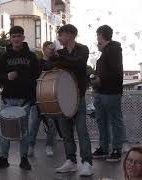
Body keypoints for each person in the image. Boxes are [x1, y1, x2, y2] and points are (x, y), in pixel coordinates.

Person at [0, 26, 40, 170]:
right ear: (10, 39)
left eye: (19, 36)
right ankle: (3, 158)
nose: (16, 39)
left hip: (25, 99)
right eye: (14, 36)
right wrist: (7, 77)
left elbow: (37, 76)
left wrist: (32, 97)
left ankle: (23, 159)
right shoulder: (5, 56)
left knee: (24, 131)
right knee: (5, 130)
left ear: (23, 38)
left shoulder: (31, 56)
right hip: (8, 98)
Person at [53, 24, 93, 176]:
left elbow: (78, 63)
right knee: (66, 132)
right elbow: (49, 65)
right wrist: (50, 57)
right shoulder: (60, 52)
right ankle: (71, 161)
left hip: (79, 97)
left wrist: (58, 58)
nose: (59, 37)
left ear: (70, 34)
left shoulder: (82, 49)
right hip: (62, 98)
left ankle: (87, 162)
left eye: (61, 34)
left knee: (82, 131)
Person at [91, 25, 126, 162]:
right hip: (101, 92)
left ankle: (116, 149)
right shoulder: (104, 53)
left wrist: (100, 79)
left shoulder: (114, 49)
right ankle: (104, 148)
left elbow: (115, 71)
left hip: (111, 93)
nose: (97, 38)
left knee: (114, 121)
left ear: (100, 35)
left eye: (97, 35)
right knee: (102, 121)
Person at [28, 41, 57, 157]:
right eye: (50, 48)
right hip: (38, 97)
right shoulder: (38, 62)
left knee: (51, 124)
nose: (52, 50)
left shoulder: (56, 62)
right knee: (34, 124)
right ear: (44, 49)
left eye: (53, 49)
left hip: (51, 98)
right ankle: (31, 146)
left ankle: (49, 146)